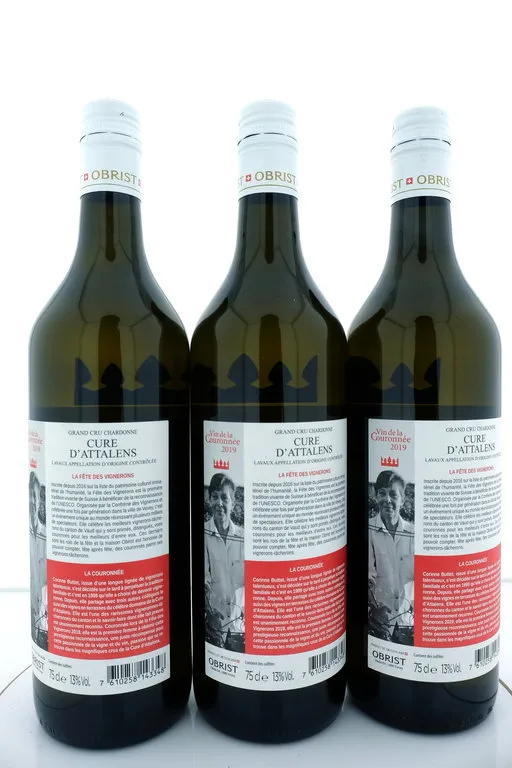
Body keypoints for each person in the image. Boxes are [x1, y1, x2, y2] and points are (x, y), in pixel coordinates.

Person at [368, 470, 414, 639]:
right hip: (379, 622)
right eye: (382, 493)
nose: (387, 500)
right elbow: (368, 577)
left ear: (402, 499)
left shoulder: (414, 533)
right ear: (376, 496)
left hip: (408, 623)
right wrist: (373, 609)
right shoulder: (369, 530)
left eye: (393, 495)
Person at [204, 473, 245, 648]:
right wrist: (209, 615)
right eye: (215, 497)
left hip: (240, 626)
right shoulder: (204, 534)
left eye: (224, 498)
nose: (219, 503)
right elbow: (203, 581)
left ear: (233, 503)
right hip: (214, 626)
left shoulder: (244, 537)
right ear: (209, 500)